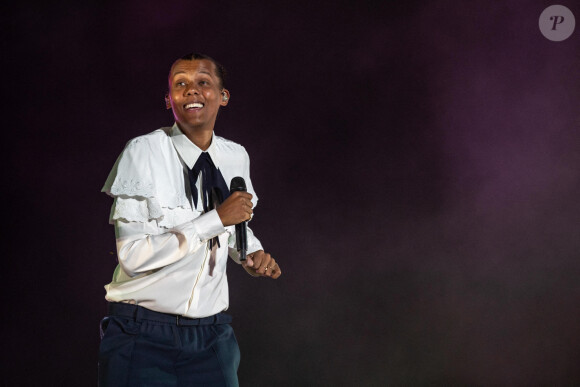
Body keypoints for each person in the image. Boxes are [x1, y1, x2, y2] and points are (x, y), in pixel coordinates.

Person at [98, 52, 281, 387]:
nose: (191, 91)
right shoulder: (143, 152)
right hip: (142, 333)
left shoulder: (235, 155)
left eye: (203, 83)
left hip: (212, 335)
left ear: (223, 96)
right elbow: (133, 258)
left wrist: (249, 253)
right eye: (180, 84)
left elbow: (232, 225)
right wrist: (215, 218)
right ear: (169, 100)